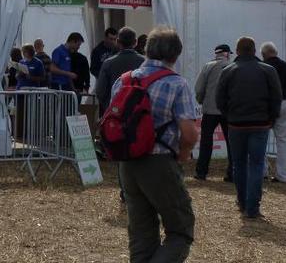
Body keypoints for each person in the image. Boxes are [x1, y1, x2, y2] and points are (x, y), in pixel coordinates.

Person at [112, 26, 199, 263]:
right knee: (180, 229)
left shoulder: (124, 80)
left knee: (141, 232)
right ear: (175, 55)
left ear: (147, 50)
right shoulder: (176, 83)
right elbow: (189, 134)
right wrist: (183, 155)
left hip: (127, 163)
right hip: (159, 161)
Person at [216, 37, 282, 220]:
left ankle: (242, 201)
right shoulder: (268, 70)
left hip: (236, 124)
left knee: (239, 164)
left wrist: (229, 116)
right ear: (254, 51)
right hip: (260, 123)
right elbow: (277, 98)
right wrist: (271, 119)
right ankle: (252, 207)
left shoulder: (228, 71)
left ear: (237, 51)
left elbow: (219, 100)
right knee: (256, 164)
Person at [260, 42, 286, 183]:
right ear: (275, 52)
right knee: (283, 141)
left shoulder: (263, 67)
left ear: (263, 55)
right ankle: (283, 175)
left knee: (261, 138)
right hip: (285, 103)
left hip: (267, 105)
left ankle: (262, 171)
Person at [194, 44, 233, 182]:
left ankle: (201, 172)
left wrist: (201, 100)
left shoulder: (208, 66)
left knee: (206, 141)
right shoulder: (232, 66)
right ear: (227, 54)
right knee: (231, 142)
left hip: (210, 109)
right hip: (228, 110)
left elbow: (199, 88)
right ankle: (231, 173)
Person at [95, 26, 144, 115]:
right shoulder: (145, 63)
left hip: (115, 113)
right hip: (138, 113)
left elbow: (99, 92)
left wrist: (109, 106)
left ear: (117, 42)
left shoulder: (108, 63)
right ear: (136, 42)